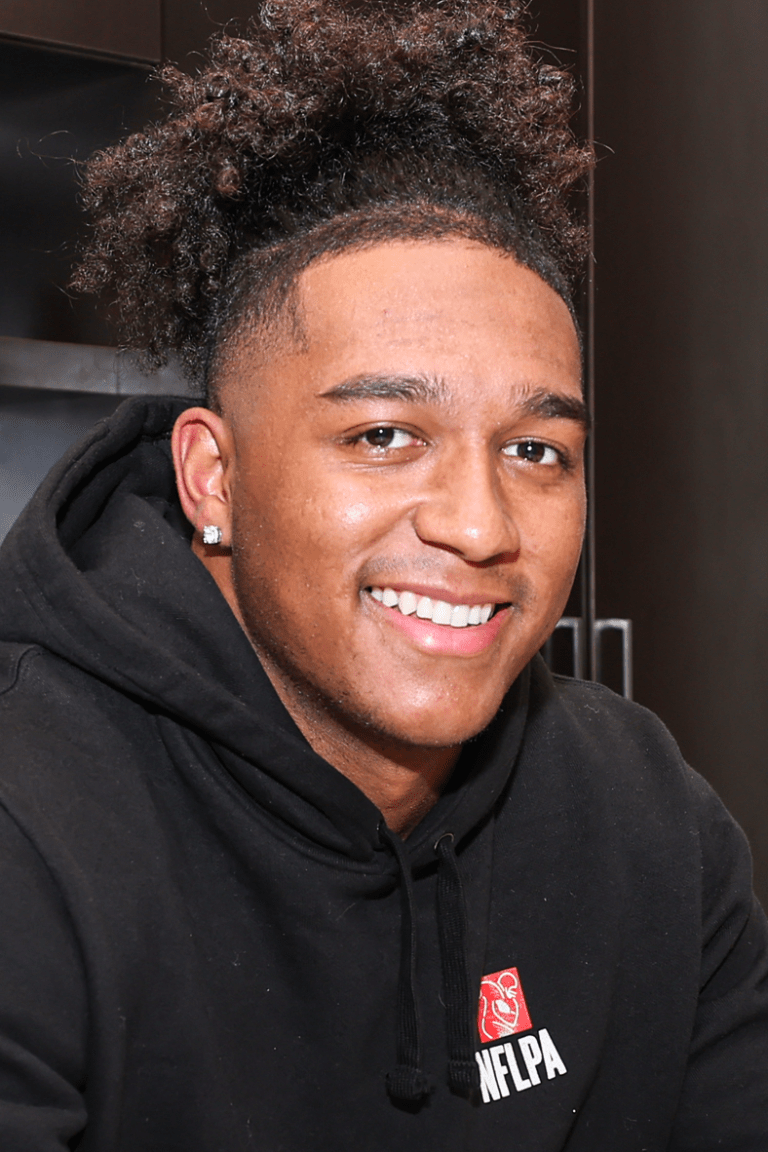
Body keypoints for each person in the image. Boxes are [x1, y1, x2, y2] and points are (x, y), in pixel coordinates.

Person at [0, 2, 766, 1148]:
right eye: (384, 436)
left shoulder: (649, 818)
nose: (479, 526)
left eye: (536, 452)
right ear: (213, 479)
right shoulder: (29, 826)